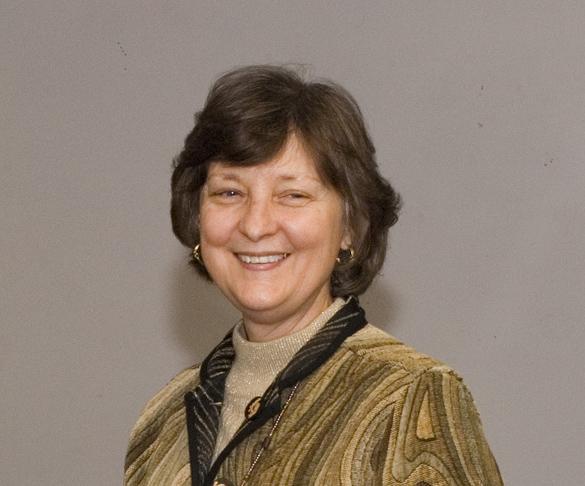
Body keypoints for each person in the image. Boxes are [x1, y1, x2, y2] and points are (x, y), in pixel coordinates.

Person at [124, 65, 503, 486]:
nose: (255, 225)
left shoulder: (411, 399)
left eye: (293, 195)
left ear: (350, 227)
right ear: (197, 218)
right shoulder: (164, 417)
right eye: (230, 192)